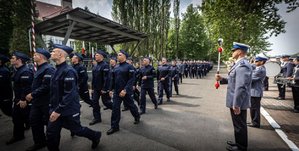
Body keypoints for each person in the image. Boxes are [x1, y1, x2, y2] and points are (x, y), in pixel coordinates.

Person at [47, 44, 101, 151]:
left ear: (60, 54)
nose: (51, 53)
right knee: (51, 134)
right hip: (56, 109)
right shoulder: (56, 69)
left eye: (53, 51)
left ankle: (95, 135)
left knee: (77, 130)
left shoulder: (68, 71)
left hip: (68, 109)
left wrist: (58, 110)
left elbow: (69, 94)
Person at [215, 42, 252, 151]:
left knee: (240, 125)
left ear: (240, 52)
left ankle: (241, 147)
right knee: (237, 124)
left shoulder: (243, 65)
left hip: (238, 102)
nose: (232, 52)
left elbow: (240, 86)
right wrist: (222, 79)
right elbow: (233, 80)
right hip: (236, 100)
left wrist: (236, 104)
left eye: (234, 50)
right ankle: (238, 143)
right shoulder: (239, 64)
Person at [25, 48, 55, 151]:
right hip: (37, 102)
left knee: (50, 123)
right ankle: (40, 143)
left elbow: (46, 86)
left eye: (35, 55)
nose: (33, 57)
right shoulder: (39, 68)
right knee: (34, 121)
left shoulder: (49, 69)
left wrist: (32, 94)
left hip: (46, 102)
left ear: (41, 56)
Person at [107, 50, 140, 135]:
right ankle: (114, 127)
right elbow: (112, 80)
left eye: (120, 55)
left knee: (131, 105)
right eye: (117, 55)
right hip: (117, 92)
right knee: (115, 109)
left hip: (126, 92)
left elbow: (131, 80)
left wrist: (125, 90)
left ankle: (137, 116)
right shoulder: (116, 67)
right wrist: (110, 90)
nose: (118, 56)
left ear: (124, 56)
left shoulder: (130, 67)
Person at [7, 51, 34, 145]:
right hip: (19, 99)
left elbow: (27, 87)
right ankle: (19, 136)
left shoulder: (25, 71)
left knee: (33, 119)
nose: (11, 59)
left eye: (13, 58)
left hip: (23, 100)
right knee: (17, 118)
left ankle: (43, 139)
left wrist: (23, 100)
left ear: (19, 60)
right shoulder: (17, 69)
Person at [90, 50, 113, 125]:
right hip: (96, 88)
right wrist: (92, 88)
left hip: (103, 88)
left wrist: (104, 89)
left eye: (97, 55)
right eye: (95, 55)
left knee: (106, 102)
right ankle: (97, 118)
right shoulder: (95, 66)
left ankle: (115, 108)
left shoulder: (105, 65)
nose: (95, 56)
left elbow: (107, 79)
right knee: (94, 102)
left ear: (102, 56)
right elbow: (93, 78)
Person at [248, 56, 267, 128]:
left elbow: (251, 78)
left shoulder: (260, 70)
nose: (254, 63)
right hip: (253, 91)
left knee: (255, 109)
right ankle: (254, 121)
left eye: (256, 61)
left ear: (261, 62)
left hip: (255, 92)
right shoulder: (258, 68)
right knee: (252, 108)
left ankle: (256, 123)